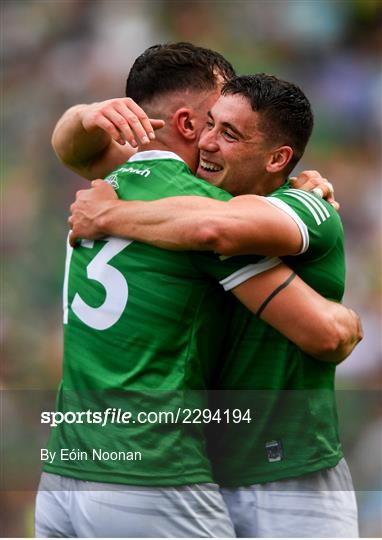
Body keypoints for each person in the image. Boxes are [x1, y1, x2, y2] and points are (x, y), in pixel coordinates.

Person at [44, 44, 361, 538]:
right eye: (211, 121)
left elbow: (70, 147)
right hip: (154, 469)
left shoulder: (114, 185)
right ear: (189, 123)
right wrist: (346, 322)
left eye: (229, 130)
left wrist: (104, 207)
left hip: (79, 468)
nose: (212, 140)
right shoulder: (196, 206)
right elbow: (329, 333)